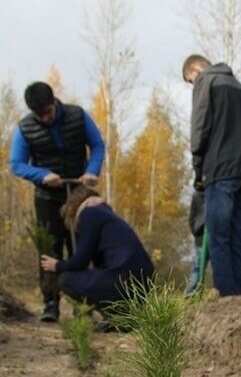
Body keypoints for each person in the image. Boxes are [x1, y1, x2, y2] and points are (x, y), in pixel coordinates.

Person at [10, 81, 106, 322]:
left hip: (79, 194)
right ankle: (50, 302)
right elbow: (17, 164)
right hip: (47, 197)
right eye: (39, 115)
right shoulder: (25, 128)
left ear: (54, 102)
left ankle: (82, 302)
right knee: (49, 249)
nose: (45, 119)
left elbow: (97, 145)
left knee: (80, 247)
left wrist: (92, 170)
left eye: (48, 112)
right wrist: (42, 175)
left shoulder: (77, 115)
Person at [183, 54, 241, 297]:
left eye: (189, 80)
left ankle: (227, 300)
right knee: (237, 240)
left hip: (220, 171)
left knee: (218, 237)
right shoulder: (238, 85)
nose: (193, 84)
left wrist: (198, 169)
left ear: (195, 70)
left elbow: (199, 128)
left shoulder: (206, 81)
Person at [39, 185, 154, 313]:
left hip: (122, 278)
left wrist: (57, 265)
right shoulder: (108, 215)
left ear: (73, 208)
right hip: (144, 281)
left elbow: (81, 261)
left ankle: (116, 316)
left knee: (66, 279)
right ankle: (124, 316)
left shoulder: (89, 213)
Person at [185, 187, 206, 296]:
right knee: (197, 266)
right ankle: (191, 293)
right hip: (201, 236)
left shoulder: (217, 192)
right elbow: (192, 217)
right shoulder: (197, 195)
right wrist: (196, 230)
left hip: (217, 237)